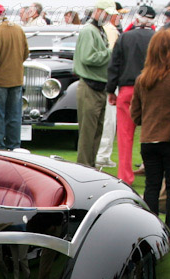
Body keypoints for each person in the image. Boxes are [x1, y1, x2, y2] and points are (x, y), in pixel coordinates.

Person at [131, 28, 170, 248]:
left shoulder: (142, 78)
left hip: (149, 140)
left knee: (151, 186)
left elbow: (135, 114)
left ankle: (149, 234)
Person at [106, 4, 155, 185]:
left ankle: (125, 175)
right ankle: (152, 172)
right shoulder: (157, 38)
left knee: (125, 135)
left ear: (136, 19)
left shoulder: (125, 37)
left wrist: (111, 90)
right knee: (151, 135)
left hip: (127, 89)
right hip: (151, 90)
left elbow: (114, 65)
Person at [0, 3, 29, 150]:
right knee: (14, 116)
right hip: (16, 79)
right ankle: (14, 146)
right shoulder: (18, 29)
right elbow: (26, 53)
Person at [73, 0, 114, 168]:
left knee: (97, 131)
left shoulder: (98, 30)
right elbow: (88, 58)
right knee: (88, 134)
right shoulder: (89, 31)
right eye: (107, 13)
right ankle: (83, 167)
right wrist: (111, 52)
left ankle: (90, 166)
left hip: (99, 86)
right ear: (98, 11)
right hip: (90, 86)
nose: (109, 17)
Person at [94, 3, 125, 168]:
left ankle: (102, 153)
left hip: (104, 78)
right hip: (109, 79)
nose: (120, 17)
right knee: (109, 120)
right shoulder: (111, 30)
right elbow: (113, 57)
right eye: (118, 14)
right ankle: (103, 154)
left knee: (106, 120)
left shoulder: (105, 29)